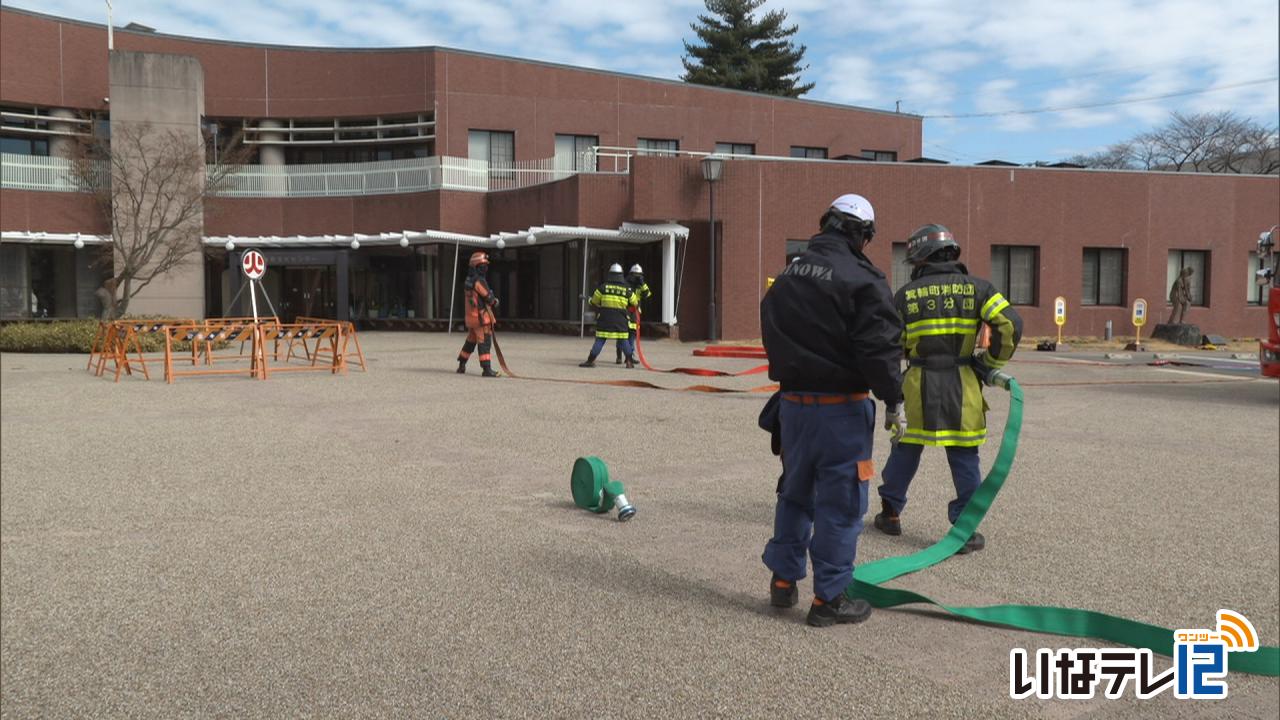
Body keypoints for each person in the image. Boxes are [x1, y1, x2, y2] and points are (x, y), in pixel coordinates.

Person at [759, 194, 905, 627]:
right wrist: (893, 399)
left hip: (793, 408)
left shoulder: (788, 273)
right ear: (863, 234)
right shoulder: (863, 278)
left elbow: (770, 328)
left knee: (794, 493)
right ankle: (830, 599)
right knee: (841, 504)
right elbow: (879, 347)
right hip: (841, 411)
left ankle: (783, 581)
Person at [872, 224, 1022, 553]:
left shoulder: (904, 296)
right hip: (963, 385)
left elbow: (888, 346)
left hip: (917, 386)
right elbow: (1011, 324)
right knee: (965, 455)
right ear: (952, 252)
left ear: (920, 260)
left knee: (906, 449)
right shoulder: (979, 288)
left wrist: (891, 388)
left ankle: (891, 513)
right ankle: (964, 530)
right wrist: (991, 362)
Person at [580, 264, 637, 368]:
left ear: (610, 274)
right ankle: (629, 362)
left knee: (600, 339)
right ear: (621, 275)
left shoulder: (603, 287)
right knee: (624, 340)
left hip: (605, 319)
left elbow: (594, 301)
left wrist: (590, 300)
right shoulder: (627, 289)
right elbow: (634, 302)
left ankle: (590, 360)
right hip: (620, 320)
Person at [456, 251, 500, 377]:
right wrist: (495, 301)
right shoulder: (479, 281)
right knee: (484, 342)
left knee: (470, 341)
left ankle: (461, 364)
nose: (485, 268)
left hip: (470, 318)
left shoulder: (468, 281)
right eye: (483, 266)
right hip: (480, 318)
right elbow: (489, 298)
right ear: (478, 266)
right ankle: (486, 369)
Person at [618, 264, 652, 364]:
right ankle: (619, 355)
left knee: (632, 335)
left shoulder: (641, 284)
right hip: (624, 311)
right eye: (635, 275)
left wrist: (642, 283)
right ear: (630, 274)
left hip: (635, 313)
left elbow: (647, 294)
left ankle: (629, 356)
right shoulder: (625, 283)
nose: (637, 277)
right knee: (622, 334)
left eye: (639, 275)